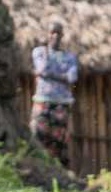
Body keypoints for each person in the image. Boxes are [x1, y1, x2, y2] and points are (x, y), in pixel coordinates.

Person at [29, 25, 76, 165]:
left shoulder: (69, 57)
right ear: (47, 34)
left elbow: (72, 77)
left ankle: (60, 170)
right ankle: (38, 164)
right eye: (52, 33)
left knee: (59, 137)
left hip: (62, 103)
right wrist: (62, 75)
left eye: (58, 33)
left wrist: (49, 74)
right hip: (43, 100)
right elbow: (42, 69)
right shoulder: (39, 52)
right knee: (37, 132)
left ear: (62, 36)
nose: (55, 36)